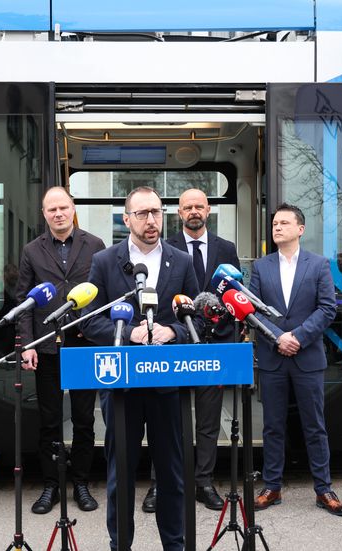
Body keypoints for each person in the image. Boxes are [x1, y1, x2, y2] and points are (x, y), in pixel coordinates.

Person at [81, 186, 201, 551]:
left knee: (172, 475)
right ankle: (121, 545)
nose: (151, 220)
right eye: (143, 213)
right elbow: (90, 322)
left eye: (156, 212)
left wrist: (173, 330)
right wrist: (129, 332)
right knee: (121, 476)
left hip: (168, 388)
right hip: (122, 388)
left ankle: (175, 545)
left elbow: (195, 319)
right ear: (126, 218)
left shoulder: (180, 261)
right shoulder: (105, 261)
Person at [141, 188, 241, 513]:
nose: (194, 211)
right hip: (177, 345)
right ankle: (160, 484)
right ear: (179, 213)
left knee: (209, 421)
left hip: (215, 345)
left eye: (199, 206)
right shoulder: (164, 248)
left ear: (208, 210)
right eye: (187, 207)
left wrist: (223, 329)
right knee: (166, 419)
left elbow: (235, 295)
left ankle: (203, 482)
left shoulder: (227, 248)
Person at [247, 203, 342, 516]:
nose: (277, 227)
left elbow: (328, 308)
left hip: (307, 357)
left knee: (314, 426)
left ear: (300, 229)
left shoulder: (318, 265)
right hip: (273, 356)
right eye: (275, 223)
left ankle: (324, 489)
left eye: (284, 223)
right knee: (273, 427)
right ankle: (271, 487)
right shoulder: (260, 267)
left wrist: (298, 337)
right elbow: (251, 311)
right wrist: (278, 337)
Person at [17, 186, 105, 514]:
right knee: (50, 421)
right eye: (51, 209)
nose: (58, 214)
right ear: (44, 214)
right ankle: (51, 485)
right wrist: (26, 344)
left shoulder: (95, 245)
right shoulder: (32, 251)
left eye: (63, 208)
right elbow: (23, 301)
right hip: (47, 345)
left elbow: (103, 293)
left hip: (85, 342)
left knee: (83, 420)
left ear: (72, 209)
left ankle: (81, 483)